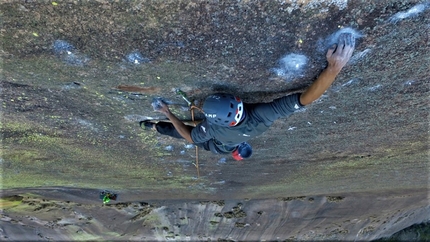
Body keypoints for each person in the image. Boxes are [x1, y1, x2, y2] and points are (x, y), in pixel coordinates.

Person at [140, 33, 355, 160]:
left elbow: (190, 137)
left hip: (214, 145)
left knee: (179, 131)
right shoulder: (260, 117)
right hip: (221, 141)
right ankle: (155, 126)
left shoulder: (214, 130)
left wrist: (168, 112)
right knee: (181, 132)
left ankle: (153, 126)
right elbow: (304, 100)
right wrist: (333, 69)